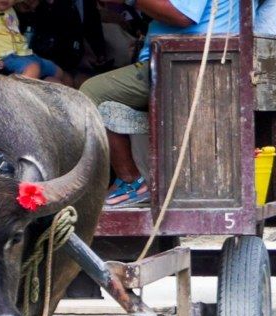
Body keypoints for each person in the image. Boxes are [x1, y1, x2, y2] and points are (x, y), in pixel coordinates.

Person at [79, 0, 240, 207]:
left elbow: (182, 15)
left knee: (90, 92)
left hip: (180, 62)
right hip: (189, 60)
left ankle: (132, 180)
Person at [0, 0, 65, 81]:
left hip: (26, 55)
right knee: (33, 68)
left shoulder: (10, 10)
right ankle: (13, 98)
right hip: (5, 57)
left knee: (59, 73)